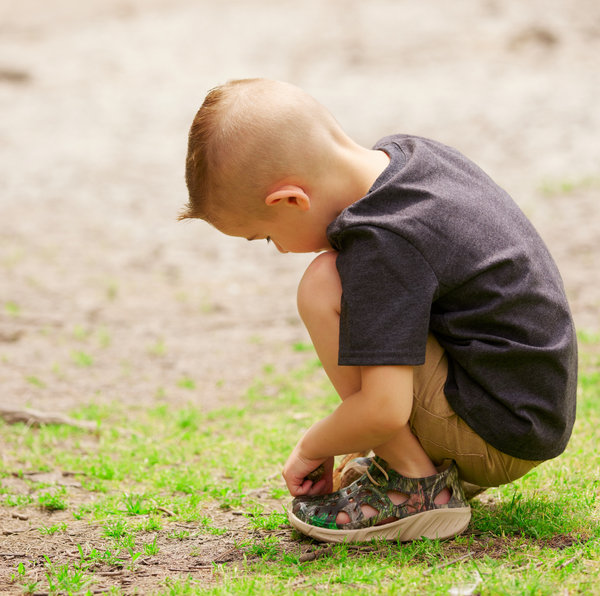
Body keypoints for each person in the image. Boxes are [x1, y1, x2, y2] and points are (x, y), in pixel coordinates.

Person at [180, 78, 577, 543]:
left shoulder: (383, 239)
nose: (281, 250)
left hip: (499, 430)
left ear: (290, 200)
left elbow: (384, 411)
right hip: (530, 407)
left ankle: (414, 486)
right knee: (339, 282)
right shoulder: (412, 158)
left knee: (323, 284)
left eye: (267, 237)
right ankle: (423, 465)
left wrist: (313, 445)